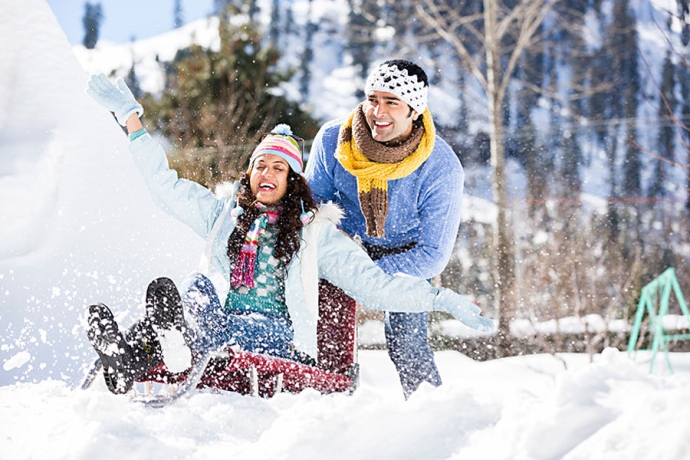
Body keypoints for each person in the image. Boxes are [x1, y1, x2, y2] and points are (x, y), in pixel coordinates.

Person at [83, 72, 493, 395]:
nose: (268, 173)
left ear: (293, 181)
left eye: (279, 168)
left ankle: (168, 340)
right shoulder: (222, 217)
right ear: (249, 174)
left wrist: (442, 300)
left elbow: (377, 288)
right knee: (194, 290)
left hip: (272, 334)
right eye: (261, 165)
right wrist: (132, 120)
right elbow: (164, 187)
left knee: (187, 310)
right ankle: (129, 358)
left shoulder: (316, 236)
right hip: (218, 321)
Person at [305, 59, 468, 398]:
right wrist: (340, 265)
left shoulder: (440, 167)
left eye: (391, 102)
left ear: (414, 110)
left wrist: (370, 275)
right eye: (373, 99)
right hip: (341, 243)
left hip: (408, 256)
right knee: (323, 332)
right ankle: (324, 407)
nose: (378, 111)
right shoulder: (335, 139)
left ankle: (431, 413)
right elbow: (310, 209)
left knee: (406, 341)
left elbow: (433, 254)